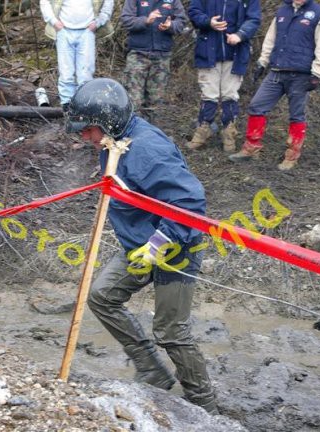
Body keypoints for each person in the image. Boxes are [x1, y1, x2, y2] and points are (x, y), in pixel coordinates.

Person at [65, 78, 218, 414]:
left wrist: (158, 244)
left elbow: (190, 203)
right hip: (138, 244)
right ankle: (151, 368)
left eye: (87, 129)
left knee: (170, 330)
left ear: (107, 121)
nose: (83, 137)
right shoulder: (113, 141)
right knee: (102, 296)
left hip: (176, 246)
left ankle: (204, 405)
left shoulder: (147, 149)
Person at [229, 0, 320, 170]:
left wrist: (317, 73)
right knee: (256, 106)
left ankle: (292, 156)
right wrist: (262, 62)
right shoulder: (282, 11)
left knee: (296, 115)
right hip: (276, 71)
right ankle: (251, 148)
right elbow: (271, 38)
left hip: (301, 74)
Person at [187, 0, 261, 152]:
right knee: (208, 94)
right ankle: (203, 130)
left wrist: (241, 35)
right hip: (207, 52)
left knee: (230, 95)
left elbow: (253, 19)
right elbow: (194, 12)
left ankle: (229, 132)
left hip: (236, 53)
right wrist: (208, 22)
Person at [119, 0, 187, 122]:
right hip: (138, 54)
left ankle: (151, 135)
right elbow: (126, 19)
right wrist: (145, 20)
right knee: (133, 100)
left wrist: (170, 26)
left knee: (155, 103)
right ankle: (130, 134)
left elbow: (181, 22)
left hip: (162, 56)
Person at [40, 0, 114, 110]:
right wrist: (53, 21)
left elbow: (109, 2)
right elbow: (44, 2)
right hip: (63, 31)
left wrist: (99, 21)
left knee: (86, 74)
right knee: (65, 72)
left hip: (87, 31)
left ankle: (84, 105)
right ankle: (67, 106)